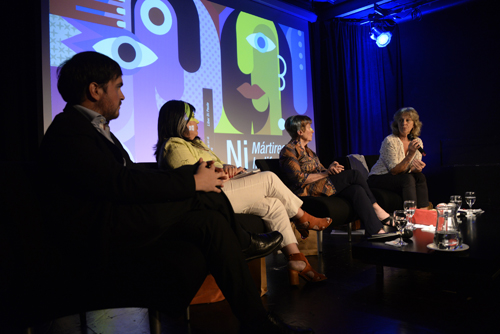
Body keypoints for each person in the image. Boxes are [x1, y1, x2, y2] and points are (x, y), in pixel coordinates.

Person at [37, 51, 312, 333]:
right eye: (118, 86)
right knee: (202, 191)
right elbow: (118, 183)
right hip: (103, 234)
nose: (122, 96)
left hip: (121, 219)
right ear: (95, 90)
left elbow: (130, 174)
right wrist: (193, 182)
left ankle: (257, 322)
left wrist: (193, 175)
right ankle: (244, 243)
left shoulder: (94, 128)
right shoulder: (69, 131)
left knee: (211, 221)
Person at [155, 100, 332, 285]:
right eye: (191, 118)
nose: (197, 121)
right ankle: (303, 218)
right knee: (269, 178)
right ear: (177, 121)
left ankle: (296, 259)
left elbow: (214, 167)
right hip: (209, 198)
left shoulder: (197, 144)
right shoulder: (173, 146)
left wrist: (229, 168)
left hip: (224, 189)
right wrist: (223, 172)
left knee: (274, 205)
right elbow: (192, 178)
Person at [280, 115, 392, 236]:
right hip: (306, 191)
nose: (312, 130)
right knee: (354, 174)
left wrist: (330, 169)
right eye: (309, 127)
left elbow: (321, 170)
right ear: (300, 132)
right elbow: (299, 179)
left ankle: (376, 231)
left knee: (356, 190)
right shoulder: (288, 150)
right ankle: (377, 208)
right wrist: (326, 173)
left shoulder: (309, 152)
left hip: (321, 185)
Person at [367, 107, 429, 209]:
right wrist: (410, 154)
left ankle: (423, 214)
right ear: (396, 123)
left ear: (414, 124)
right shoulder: (390, 141)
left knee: (420, 176)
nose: (403, 123)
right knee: (407, 179)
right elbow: (395, 171)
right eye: (400, 120)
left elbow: (411, 169)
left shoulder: (417, 141)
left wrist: (417, 169)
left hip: (399, 177)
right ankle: (410, 216)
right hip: (378, 178)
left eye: (407, 120)